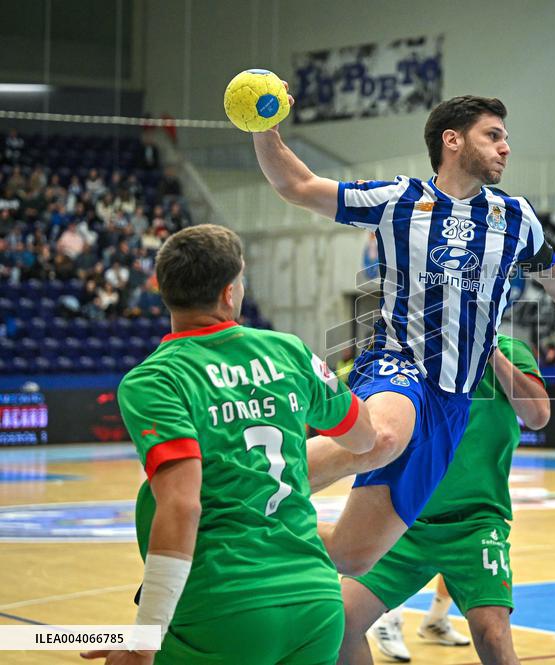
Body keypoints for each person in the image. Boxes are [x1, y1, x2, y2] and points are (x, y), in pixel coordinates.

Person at [253, 89, 555, 576]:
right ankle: (243, 483)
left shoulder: (515, 217)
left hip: (455, 402)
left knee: (352, 556)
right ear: (452, 140)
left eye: (506, 138)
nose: (505, 147)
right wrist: (263, 127)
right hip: (398, 366)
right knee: (382, 437)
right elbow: (296, 186)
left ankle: (252, 534)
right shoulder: (397, 200)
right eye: (493, 136)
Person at [82, 225, 377, 665]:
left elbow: (181, 505)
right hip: (315, 603)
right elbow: (364, 436)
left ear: (161, 288)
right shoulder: (290, 351)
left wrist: (143, 639)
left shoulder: (156, 380)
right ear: (229, 292)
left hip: (225, 606)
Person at [328, 334, 550, 665]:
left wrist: (493, 356)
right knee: (340, 623)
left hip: (474, 525)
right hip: (404, 524)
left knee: (493, 635)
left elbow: (538, 416)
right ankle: (434, 620)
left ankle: (436, 620)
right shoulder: (406, 353)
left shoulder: (507, 350)